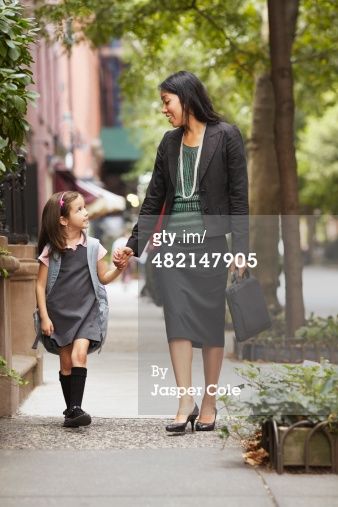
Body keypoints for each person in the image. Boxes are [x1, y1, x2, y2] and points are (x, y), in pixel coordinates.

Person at [113, 71, 249, 432]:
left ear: (186, 100)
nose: (163, 110)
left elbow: (239, 198)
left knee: (209, 321)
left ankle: (209, 400)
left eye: (166, 101)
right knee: (177, 317)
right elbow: (154, 198)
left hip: (211, 245)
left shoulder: (227, 137)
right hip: (173, 246)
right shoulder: (168, 143)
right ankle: (184, 399)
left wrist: (241, 250)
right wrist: (132, 245)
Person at [34, 191, 125, 428]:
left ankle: (76, 408)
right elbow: (40, 285)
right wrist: (44, 317)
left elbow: (103, 278)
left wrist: (118, 269)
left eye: (85, 208)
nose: (86, 213)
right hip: (60, 313)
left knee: (79, 355)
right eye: (80, 209)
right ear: (63, 219)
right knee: (65, 362)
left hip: (88, 310)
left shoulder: (94, 246)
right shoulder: (51, 250)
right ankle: (71, 410)